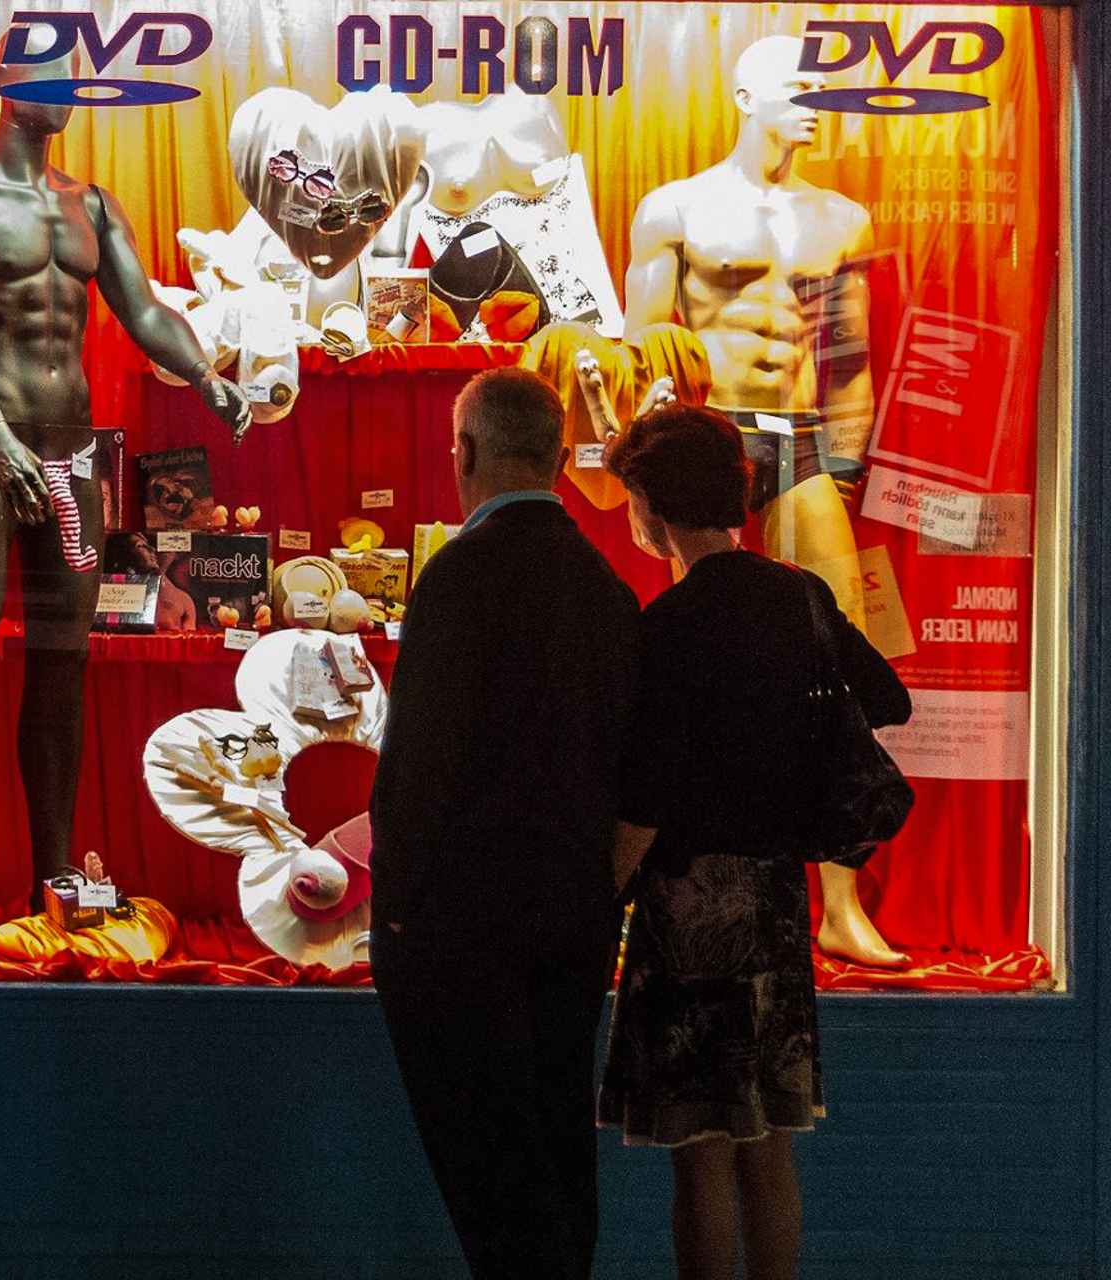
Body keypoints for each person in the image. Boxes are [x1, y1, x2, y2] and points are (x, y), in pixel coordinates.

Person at [0, 34, 249, 951]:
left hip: (70, 456)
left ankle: (52, 874)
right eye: (49, 75)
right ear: (7, 81)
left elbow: (144, 311)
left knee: (63, 663)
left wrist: (206, 376)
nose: (66, 92)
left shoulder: (90, 203)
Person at [596, 405, 911, 1280]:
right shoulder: (799, 597)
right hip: (775, 900)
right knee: (770, 1146)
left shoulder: (665, 626)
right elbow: (888, 700)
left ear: (650, 508)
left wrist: (596, 899)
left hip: (688, 907)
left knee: (700, 1157)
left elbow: (645, 797)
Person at [620, 33, 902, 970]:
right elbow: (644, 349)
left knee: (834, 654)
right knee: (694, 665)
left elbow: (848, 361)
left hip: (802, 436)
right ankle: (670, 884)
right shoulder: (677, 208)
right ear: (746, 94)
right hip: (713, 438)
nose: (816, 103)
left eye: (823, 87)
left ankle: (840, 906)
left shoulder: (841, 219)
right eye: (800, 85)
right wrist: (650, 477)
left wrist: (844, 472)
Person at [370, 366, 641, 1279]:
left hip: (463, 928)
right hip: (572, 918)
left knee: (491, 1175)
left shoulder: (457, 576)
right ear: (562, 462)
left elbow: (419, 762)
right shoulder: (606, 584)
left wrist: (395, 910)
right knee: (559, 1148)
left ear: (465, 453)